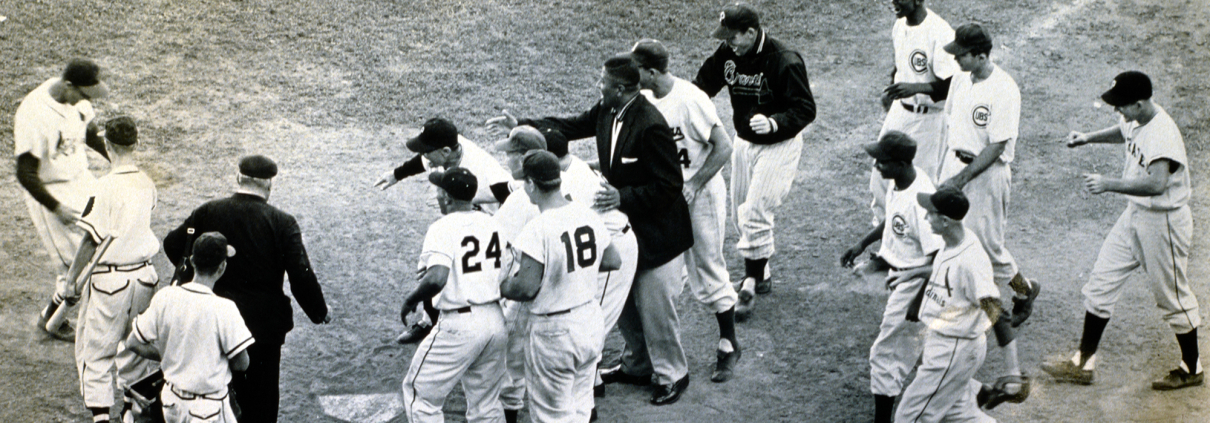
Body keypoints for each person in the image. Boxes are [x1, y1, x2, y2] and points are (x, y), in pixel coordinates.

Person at [488, 54, 694, 405]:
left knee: (656, 307)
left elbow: (671, 184)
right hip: (618, 221)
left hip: (659, 231)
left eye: (603, 83)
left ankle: (672, 373)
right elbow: (567, 126)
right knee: (627, 306)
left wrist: (623, 195)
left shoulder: (650, 125)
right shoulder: (608, 110)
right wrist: (523, 123)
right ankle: (638, 364)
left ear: (622, 88)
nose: (599, 87)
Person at [1041, 71, 1202, 390]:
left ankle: (1192, 367)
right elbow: (1123, 130)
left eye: (1122, 106)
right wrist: (1088, 137)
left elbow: (1157, 184)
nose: (1119, 111)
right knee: (1101, 282)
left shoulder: (1163, 134)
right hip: (1135, 216)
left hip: (1164, 223)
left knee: (1171, 296)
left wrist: (1109, 184)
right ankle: (1082, 363)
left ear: (1140, 104)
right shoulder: (1136, 117)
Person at [163, 155, 331, 423]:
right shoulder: (282, 222)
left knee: (212, 396)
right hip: (261, 330)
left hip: (209, 321)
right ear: (269, 185)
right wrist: (319, 311)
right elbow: (301, 275)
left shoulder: (207, 211)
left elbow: (173, 244)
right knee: (260, 404)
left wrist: (204, 275)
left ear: (239, 178)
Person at [693, 2, 817, 319]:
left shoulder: (784, 59)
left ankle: (749, 282)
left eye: (732, 36)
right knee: (740, 213)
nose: (728, 42)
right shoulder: (728, 53)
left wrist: (776, 122)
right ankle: (762, 272)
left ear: (751, 32)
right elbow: (702, 86)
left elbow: (805, 109)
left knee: (755, 212)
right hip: (744, 142)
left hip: (779, 145)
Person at [935, 23, 1039, 395]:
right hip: (955, 165)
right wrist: (945, 172)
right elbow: (950, 126)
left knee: (989, 249)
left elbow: (996, 147)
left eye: (961, 54)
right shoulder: (961, 80)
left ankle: (1024, 289)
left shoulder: (1004, 90)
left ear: (981, 54)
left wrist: (960, 180)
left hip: (986, 176)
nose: (956, 58)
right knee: (949, 239)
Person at [631, 39, 741, 382]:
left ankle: (729, 343)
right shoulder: (645, 99)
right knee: (661, 269)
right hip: (666, 195)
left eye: (637, 69)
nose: (632, 75)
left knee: (707, 268)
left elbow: (724, 147)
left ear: (651, 71)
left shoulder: (691, 98)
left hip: (700, 193)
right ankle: (648, 356)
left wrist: (694, 184)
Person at [500, 151, 621, 422]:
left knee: (553, 416)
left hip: (554, 333)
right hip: (589, 322)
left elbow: (525, 288)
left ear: (530, 184)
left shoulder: (538, 227)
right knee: (580, 407)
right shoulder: (585, 214)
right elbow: (613, 259)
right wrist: (573, 269)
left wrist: (501, 286)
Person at [376, 117, 514, 344]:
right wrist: (396, 174)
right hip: (462, 214)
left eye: (428, 150)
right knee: (437, 265)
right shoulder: (447, 148)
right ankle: (428, 322)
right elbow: (424, 162)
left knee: (459, 274)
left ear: (447, 150)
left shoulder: (488, 172)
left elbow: (514, 200)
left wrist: (496, 233)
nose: (425, 155)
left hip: (491, 223)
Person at [839, 132, 942, 423]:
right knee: (913, 349)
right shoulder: (903, 181)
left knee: (885, 355)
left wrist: (918, 302)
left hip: (917, 283)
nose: (876, 167)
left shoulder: (923, 203)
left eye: (882, 162)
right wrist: (863, 243)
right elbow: (892, 217)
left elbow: (938, 261)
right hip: (902, 277)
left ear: (899, 163)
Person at [66, 116, 160, 423]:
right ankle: (132, 412)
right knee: (135, 348)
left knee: (96, 351)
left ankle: (102, 418)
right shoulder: (147, 183)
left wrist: (70, 280)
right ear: (136, 144)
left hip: (110, 282)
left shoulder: (104, 186)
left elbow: (90, 240)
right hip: (145, 278)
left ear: (106, 144)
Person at [400, 167, 508, 423]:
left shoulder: (442, 226)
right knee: (487, 405)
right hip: (495, 320)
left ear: (447, 197)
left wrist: (411, 299)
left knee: (420, 396)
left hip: (459, 325)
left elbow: (437, 277)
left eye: (439, 190)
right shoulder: (494, 224)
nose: (437, 196)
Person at [17, 58, 110, 340]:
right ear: (68, 85)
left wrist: (116, 161)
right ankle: (52, 318)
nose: (86, 100)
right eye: (83, 93)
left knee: (104, 240)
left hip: (81, 180)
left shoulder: (77, 100)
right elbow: (25, 172)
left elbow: (90, 133)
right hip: (50, 190)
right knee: (74, 264)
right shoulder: (33, 114)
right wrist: (56, 208)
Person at [894, 187, 999, 423]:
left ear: (944, 220)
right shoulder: (953, 240)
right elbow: (949, 272)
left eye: (929, 213)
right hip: (949, 344)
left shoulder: (972, 259)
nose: (925, 217)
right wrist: (913, 273)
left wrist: (1012, 368)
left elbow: (994, 307)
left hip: (954, 347)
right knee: (956, 412)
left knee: (909, 417)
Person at [127, 232, 254, 423]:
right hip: (209, 409)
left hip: (171, 402)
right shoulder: (225, 308)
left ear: (193, 261)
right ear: (222, 267)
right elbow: (241, 363)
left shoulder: (166, 297)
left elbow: (133, 343)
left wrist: (173, 356)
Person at [868, 0, 957, 227]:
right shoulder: (900, 26)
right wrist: (893, 87)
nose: (894, 2)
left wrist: (915, 88)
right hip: (901, 111)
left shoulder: (940, 32)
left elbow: (952, 84)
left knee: (917, 183)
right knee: (880, 175)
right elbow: (900, 64)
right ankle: (887, 238)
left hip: (928, 119)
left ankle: (919, 242)